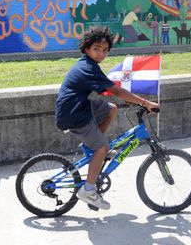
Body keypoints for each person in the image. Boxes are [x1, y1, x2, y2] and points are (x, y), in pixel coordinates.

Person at [55, 26, 159, 210]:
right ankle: (88, 190)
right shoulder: (87, 67)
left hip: (79, 107)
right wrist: (144, 102)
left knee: (111, 108)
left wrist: (129, 98)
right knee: (102, 148)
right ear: (86, 48)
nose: (101, 53)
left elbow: (108, 90)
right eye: (96, 48)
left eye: (105, 50)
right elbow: (116, 90)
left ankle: (92, 147)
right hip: (74, 115)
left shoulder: (89, 65)